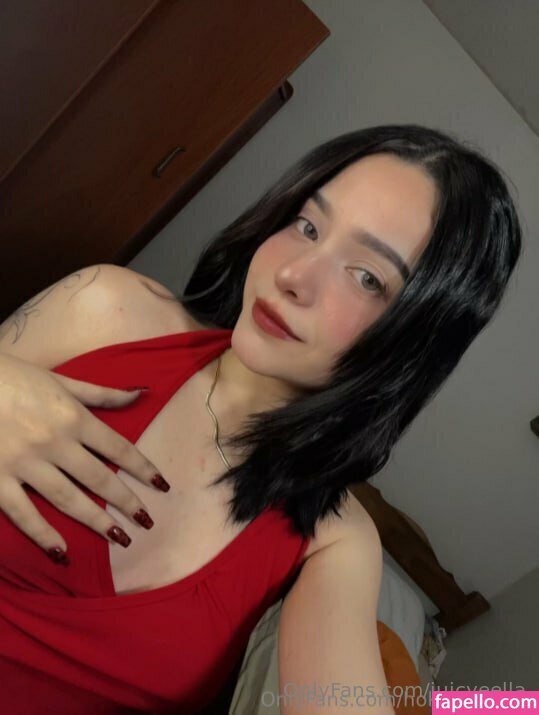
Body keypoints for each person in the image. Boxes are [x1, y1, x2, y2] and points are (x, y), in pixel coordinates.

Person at [0, 124, 522, 714]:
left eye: (367, 277)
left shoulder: (332, 540)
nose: (292, 276)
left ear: (413, 343)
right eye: (307, 226)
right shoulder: (105, 309)